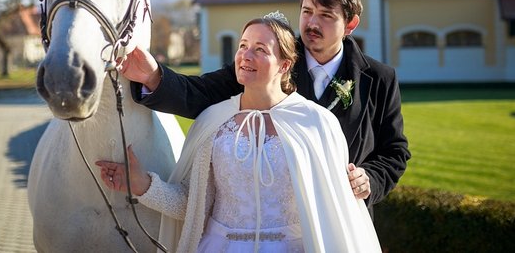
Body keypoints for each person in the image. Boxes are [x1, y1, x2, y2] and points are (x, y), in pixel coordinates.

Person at [125, 0, 410, 215]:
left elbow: (394, 151)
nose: (312, 24)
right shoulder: (267, 62)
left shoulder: (380, 79)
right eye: (307, 11)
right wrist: (153, 76)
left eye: (326, 16)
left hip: (339, 218)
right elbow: (201, 93)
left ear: (350, 24)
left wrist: (370, 178)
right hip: (271, 219)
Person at [97, 13, 382, 252]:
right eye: (243, 45)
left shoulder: (316, 122)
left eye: (260, 49)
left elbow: (336, 213)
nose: (246, 55)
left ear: (284, 65)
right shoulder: (214, 121)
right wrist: (143, 185)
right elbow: (193, 206)